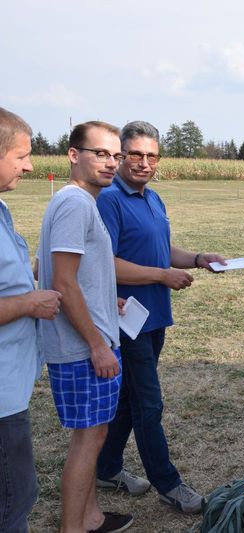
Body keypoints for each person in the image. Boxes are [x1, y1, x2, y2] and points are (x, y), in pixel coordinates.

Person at [95, 121, 226, 514]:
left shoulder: (153, 199)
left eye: (152, 156)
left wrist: (200, 259)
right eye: (135, 154)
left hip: (154, 319)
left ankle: (105, 467)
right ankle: (168, 484)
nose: (144, 163)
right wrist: (161, 277)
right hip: (126, 321)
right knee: (149, 404)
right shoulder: (109, 200)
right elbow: (106, 264)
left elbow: (163, 249)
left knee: (128, 400)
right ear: (121, 155)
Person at [38, 121, 133, 533]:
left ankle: (91, 517)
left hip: (87, 340)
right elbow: (61, 280)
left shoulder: (81, 203)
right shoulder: (76, 203)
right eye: (100, 153)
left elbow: (58, 270)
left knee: (93, 437)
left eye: (116, 155)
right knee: (87, 441)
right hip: (82, 350)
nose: (111, 163)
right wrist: (97, 344)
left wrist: (101, 298)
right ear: (74, 155)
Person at [0, 108, 61, 533]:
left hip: (11, 388)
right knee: (12, 501)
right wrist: (27, 304)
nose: (30, 165)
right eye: (21, 155)